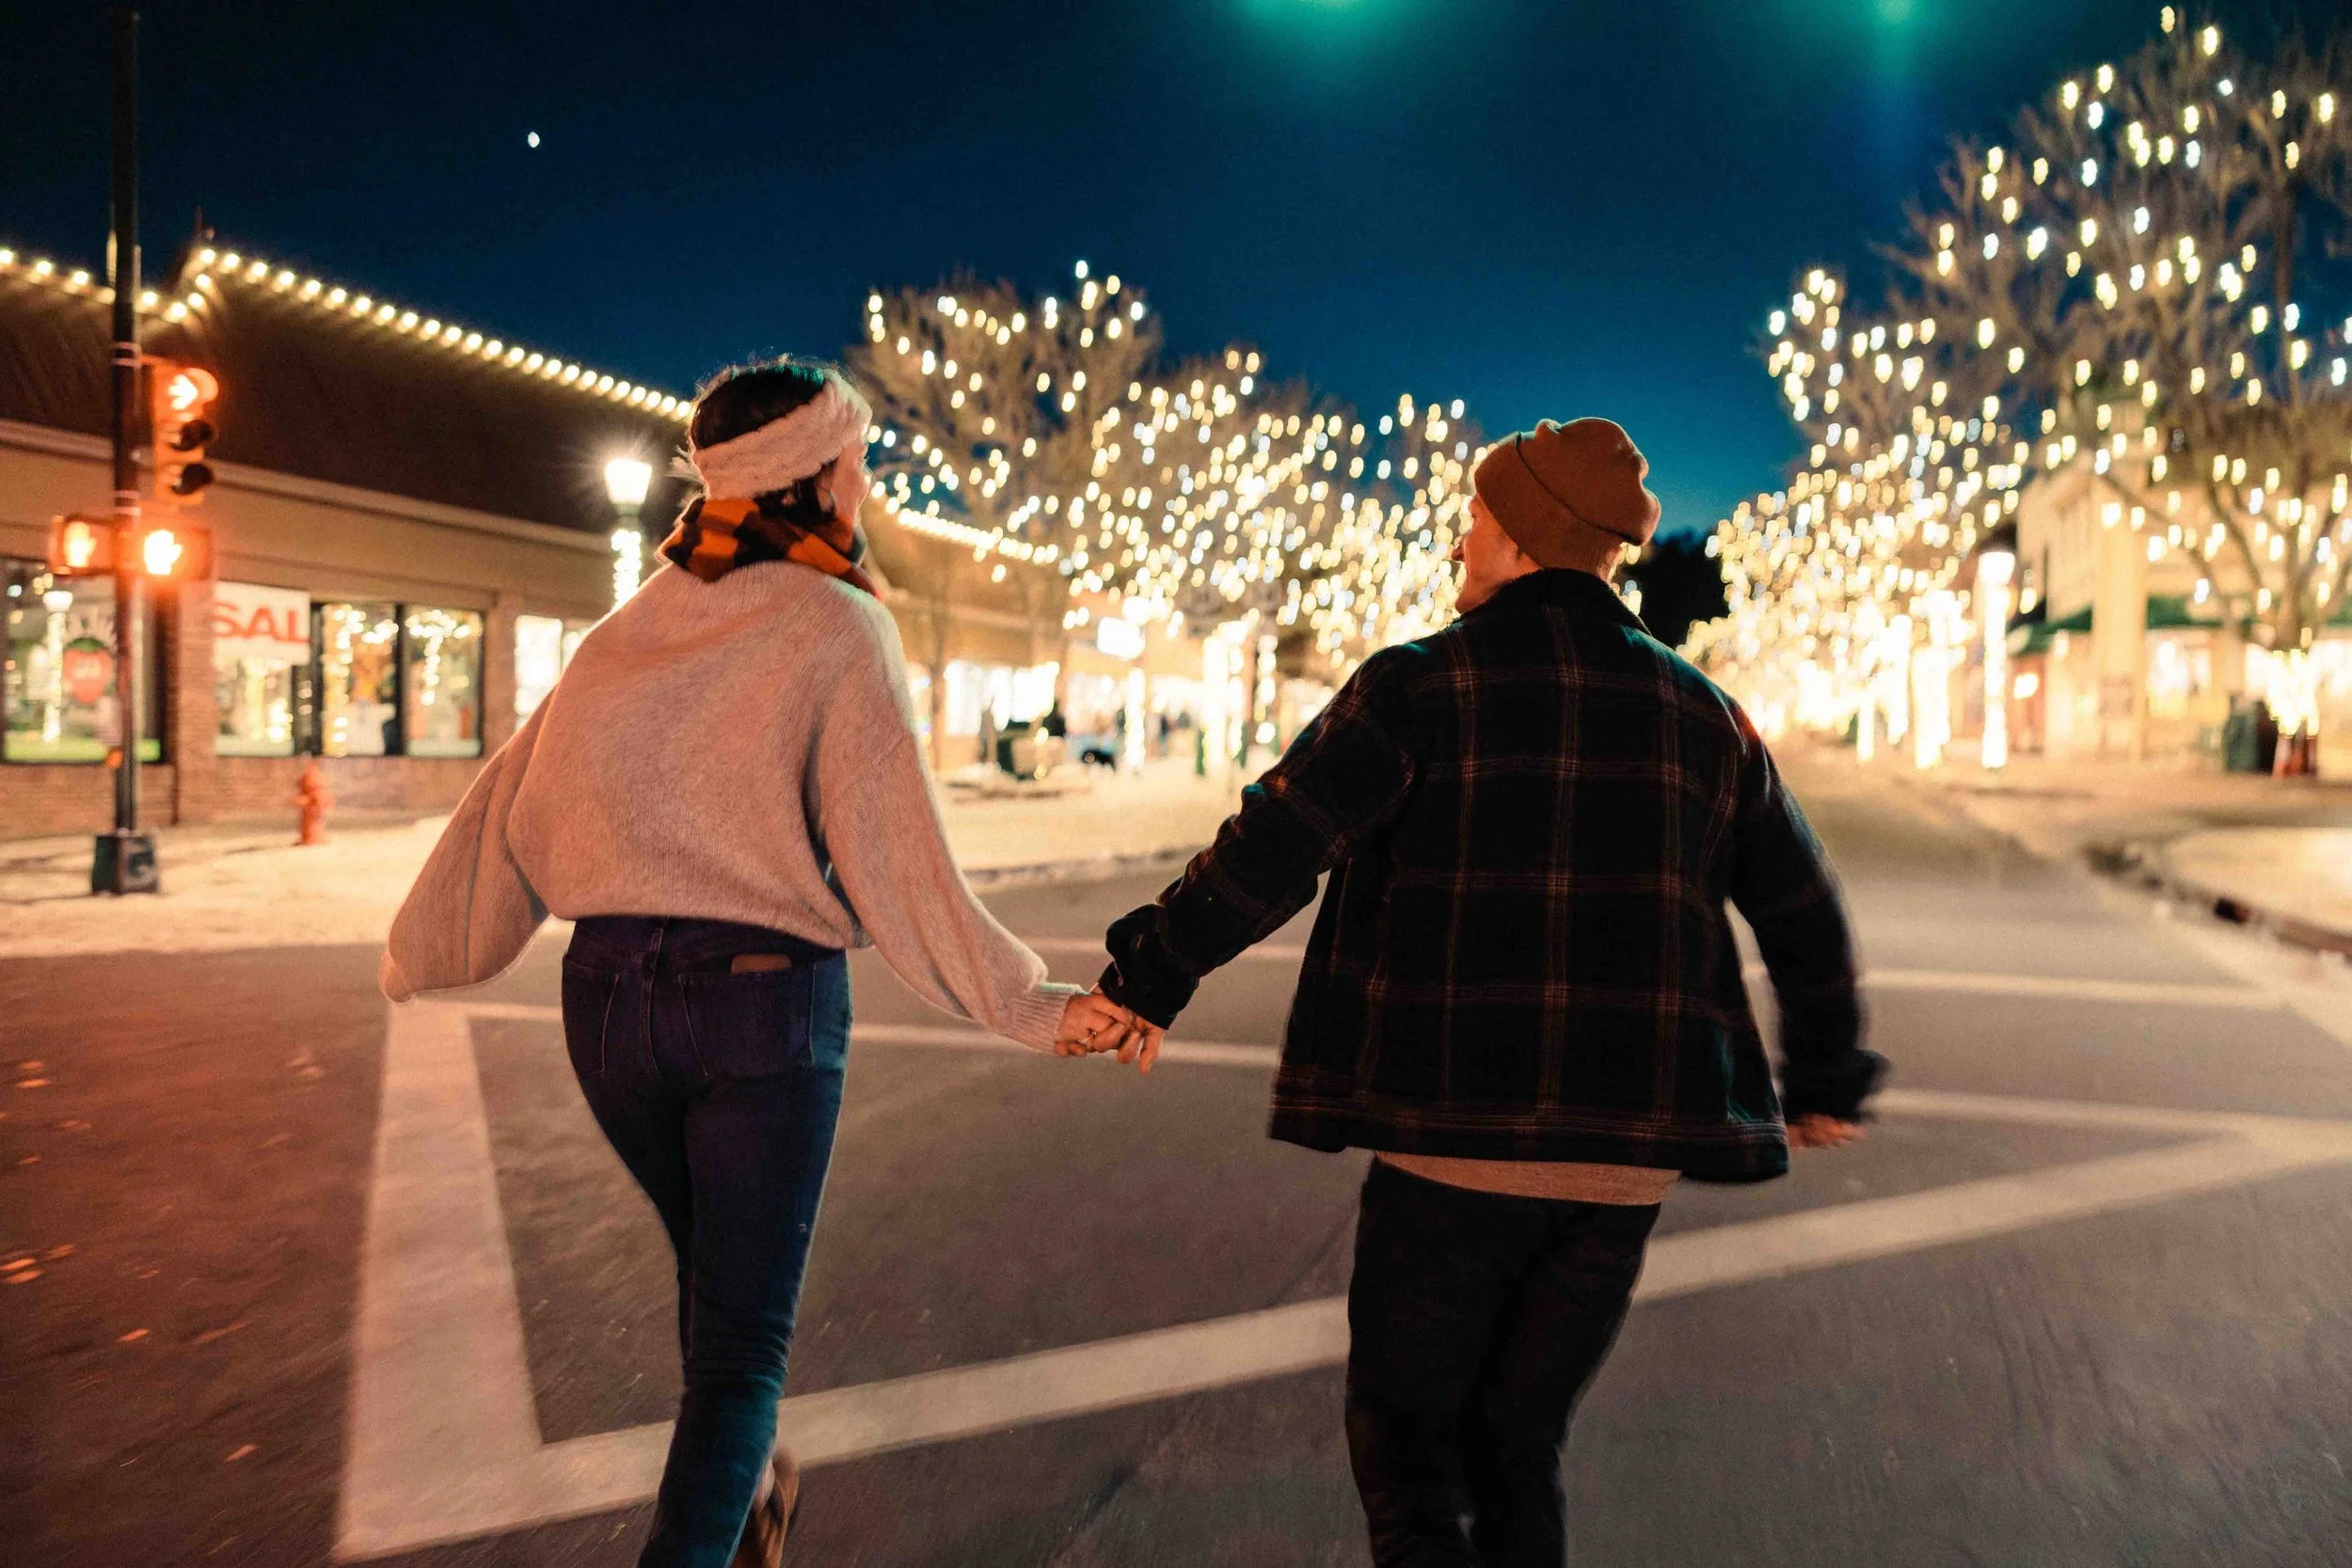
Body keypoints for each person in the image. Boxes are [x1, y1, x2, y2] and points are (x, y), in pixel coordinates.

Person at [379, 357, 1144, 1568]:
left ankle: (742, 1505)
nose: (869, 481)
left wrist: (428, 937)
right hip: (757, 1009)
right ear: (822, 475)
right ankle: (725, 1498)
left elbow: (514, 798)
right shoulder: (840, 622)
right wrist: (1036, 1007)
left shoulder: (627, 627)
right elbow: (900, 866)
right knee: (740, 1350)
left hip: (608, 1008)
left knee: (720, 1295)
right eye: (860, 460)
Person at [1092, 418, 1883, 1567]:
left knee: (1409, 1443)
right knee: (1519, 1441)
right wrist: (1825, 1071)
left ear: (1521, 538)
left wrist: (1149, 980)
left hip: (1453, 1136)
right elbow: (1800, 906)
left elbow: (1277, 843)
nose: (1460, 540)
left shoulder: (1420, 684)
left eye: (1476, 519)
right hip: (1621, 1160)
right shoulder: (1704, 715)